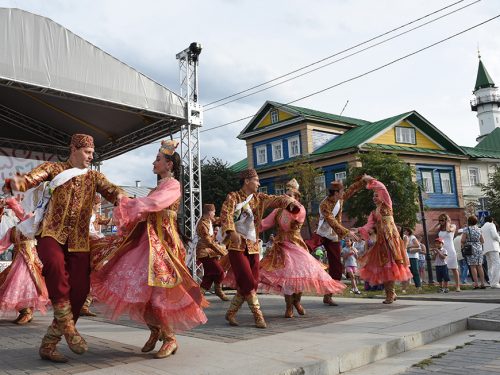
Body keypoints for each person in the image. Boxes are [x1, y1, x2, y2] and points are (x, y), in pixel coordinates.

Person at [4, 134, 124, 363]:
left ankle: (49, 344)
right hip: (52, 233)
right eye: (88, 152)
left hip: (79, 240)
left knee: (80, 291)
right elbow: (29, 179)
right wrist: (14, 183)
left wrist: (125, 198)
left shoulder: (94, 176)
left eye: (92, 153)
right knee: (54, 265)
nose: (91, 156)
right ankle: (69, 328)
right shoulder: (54, 168)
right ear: (74, 149)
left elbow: (112, 190)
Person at [91, 140, 207, 359]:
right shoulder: (159, 187)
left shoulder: (172, 186)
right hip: (147, 243)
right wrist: (122, 210)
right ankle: (156, 330)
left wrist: (127, 202)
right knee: (139, 292)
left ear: (169, 164)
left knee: (158, 294)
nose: (154, 163)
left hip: (163, 245)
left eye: (158, 159)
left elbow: (153, 204)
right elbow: (145, 209)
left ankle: (170, 338)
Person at [220, 168, 298, 328]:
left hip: (254, 246)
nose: (259, 183)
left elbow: (275, 200)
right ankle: (258, 316)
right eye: (256, 180)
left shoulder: (259, 198)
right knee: (248, 281)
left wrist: (289, 202)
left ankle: (231, 313)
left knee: (252, 282)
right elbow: (226, 214)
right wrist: (231, 231)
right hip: (236, 246)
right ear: (247, 181)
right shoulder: (233, 197)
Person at [259, 179, 345, 318]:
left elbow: (296, 214)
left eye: (290, 195)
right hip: (281, 247)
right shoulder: (277, 211)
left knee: (300, 276)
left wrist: (289, 202)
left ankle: (297, 302)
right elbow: (264, 224)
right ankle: (289, 306)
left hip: (296, 246)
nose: (286, 198)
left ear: (297, 197)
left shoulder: (300, 209)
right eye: (285, 195)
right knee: (286, 278)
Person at [354, 175, 412, 304]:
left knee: (390, 267)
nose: (374, 198)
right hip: (382, 241)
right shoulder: (374, 212)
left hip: (391, 239)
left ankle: (390, 294)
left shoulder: (387, 203)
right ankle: (391, 293)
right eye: (373, 197)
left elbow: (382, 188)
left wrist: (369, 180)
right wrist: (358, 230)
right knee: (385, 267)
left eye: (376, 195)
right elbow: (368, 226)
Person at [0, 197, 49, 324]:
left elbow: (23, 214)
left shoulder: (31, 221)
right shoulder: (13, 230)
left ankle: (27, 312)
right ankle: (25, 312)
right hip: (18, 260)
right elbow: (3, 245)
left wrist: (10, 202)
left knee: (24, 283)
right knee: (13, 285)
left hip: (30, 260)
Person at [316, 179, 363, 306]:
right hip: (321, 235)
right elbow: (332, 221)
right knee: (305, 257)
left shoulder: (340, 199)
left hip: (334, 237)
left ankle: (328, 295)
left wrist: (364, 180)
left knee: (336, 266)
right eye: (342, 191)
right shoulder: (324, 204)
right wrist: (347, 232)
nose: (344, 193)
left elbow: (352, 190)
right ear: (336, 192)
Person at [81, 194, 111, 317]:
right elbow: (88, 230)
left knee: (93, 275)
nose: (98, 206)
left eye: (98, 204)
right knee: (88, 274)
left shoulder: (95, 214)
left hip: (93, 245)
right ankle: (80, 304)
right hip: (87, 246)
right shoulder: (86, 213)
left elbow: (107, 221)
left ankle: (84, 305)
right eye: (97, 204)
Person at [196, 203, 229, 301]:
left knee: (209, 276)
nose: (214, 214)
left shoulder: (209, 220)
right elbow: (209, 243)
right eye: (214, 212)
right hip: (204, 253)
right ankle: (218, 290)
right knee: (219, 272)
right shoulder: (202, 224)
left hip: (210, 253)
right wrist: (222, 251)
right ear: (209, 212)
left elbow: (219, 220)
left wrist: (230, 215)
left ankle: (198, 297)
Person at [435, 214, 460, 292]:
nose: (440, 222)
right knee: (443, 270)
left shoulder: (453, 226)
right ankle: (444, 287)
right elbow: (430, 230)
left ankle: (457, 286)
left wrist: (447, 223)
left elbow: (449, 230)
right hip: (442, 250)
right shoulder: (440, 228)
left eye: (442, 220)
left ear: (446, 220)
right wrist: (438, 223)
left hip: (450, 250)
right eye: (439, 220)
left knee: (454, 268)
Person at [461, 215, 486, 289]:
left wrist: (466, 243)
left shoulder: (466, 229)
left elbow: (462, 240)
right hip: (479, 248)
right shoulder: (479, 229)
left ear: (469, 222)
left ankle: (476, 284)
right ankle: (482, 283)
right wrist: (477, 244)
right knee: (480, 266)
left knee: (473, 266)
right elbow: (482, 241)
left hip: (470, 249)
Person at [481, 216, 500, 289]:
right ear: (491, 220)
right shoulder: (491, 225)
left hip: (486, 248)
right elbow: (494, 235)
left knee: (490, 266)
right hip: (493, 247)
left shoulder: (482, 227)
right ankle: (495, 283)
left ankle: (492, 282)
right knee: (496, 264)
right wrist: (499, 239)